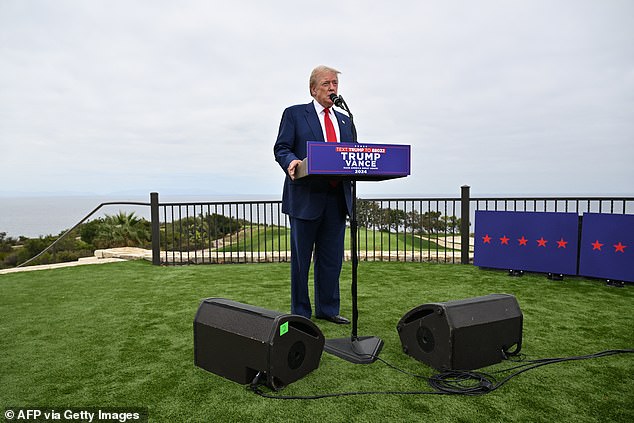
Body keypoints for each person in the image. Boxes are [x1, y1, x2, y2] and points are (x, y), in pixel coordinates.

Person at [273, 65, 355, 324]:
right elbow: (282, 148)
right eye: (326, 84)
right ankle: (300, 313)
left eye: (335, 84)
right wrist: (291, 162)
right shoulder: (295, 114)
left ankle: (328, 309)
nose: (332, 88)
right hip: (305, 198)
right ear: (313, 89)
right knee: (301, 262)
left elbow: (352, 156)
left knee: (332, 260)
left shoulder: (345, 119)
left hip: (336, 199)